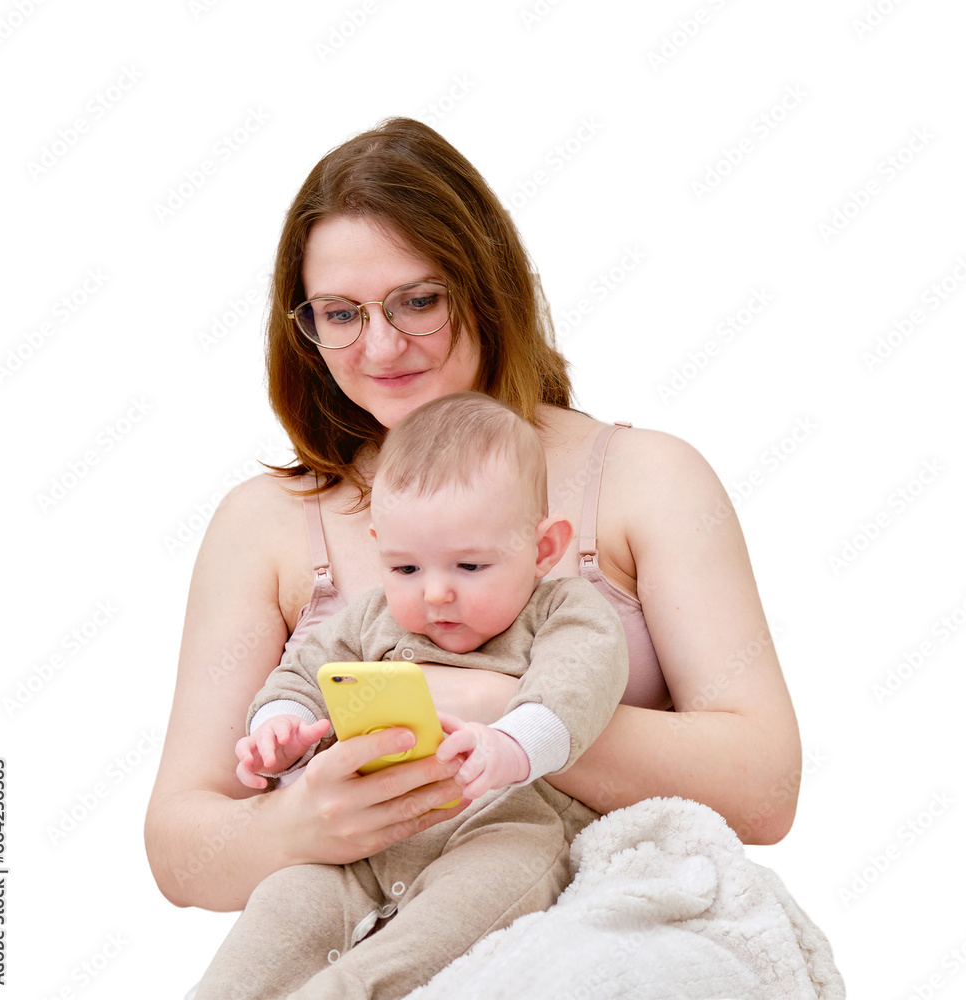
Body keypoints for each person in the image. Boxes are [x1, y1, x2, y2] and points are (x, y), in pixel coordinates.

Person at [144, 116, 802, 922]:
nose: (381, 348)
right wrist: (297, 825)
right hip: (366, 942)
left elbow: (767, 789)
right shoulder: (265, 525)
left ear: (490, 287)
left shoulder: (648, 480)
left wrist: (498, 711)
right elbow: (178, 848)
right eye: (341, 314)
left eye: (419, 302)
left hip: (607, 938)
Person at [193, 391, 629, 999]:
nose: (435, 593)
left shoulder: (563, 611)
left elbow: (576, 689)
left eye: (469, 567)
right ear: (380, 547)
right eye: (406, 569)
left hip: (503, 820)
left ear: (543, 548)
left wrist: (509, 746)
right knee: (282, 910)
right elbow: (301, 675)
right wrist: (281, 728)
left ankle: (350, 990)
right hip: (363, 838)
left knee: (473, 905)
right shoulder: (369, 618)